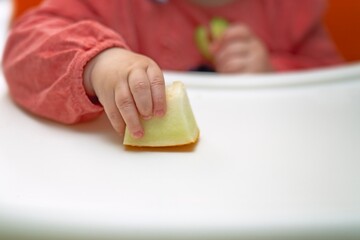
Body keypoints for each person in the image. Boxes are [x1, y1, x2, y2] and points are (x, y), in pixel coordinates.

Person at [2, 0, 343, 139]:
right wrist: (99, 62)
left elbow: (334, 91)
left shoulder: (288, 11)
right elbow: (24, 48)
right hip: (131, 192)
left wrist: (272, 72)